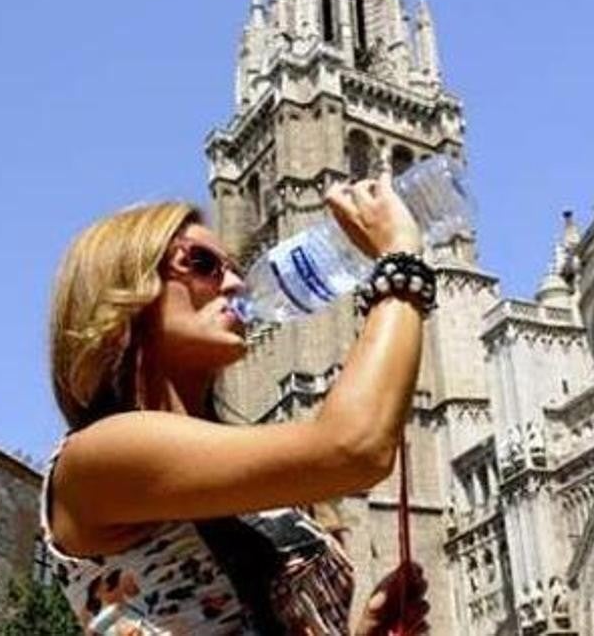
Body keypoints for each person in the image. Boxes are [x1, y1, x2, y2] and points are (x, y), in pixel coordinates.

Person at [43, 171, 430, 634]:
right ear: (126, 289)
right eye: (203, 263)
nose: (236, 285)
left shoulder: (237, 468)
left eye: (237, 270)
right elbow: (354, 448)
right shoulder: (98, 455)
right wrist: (400, 261)